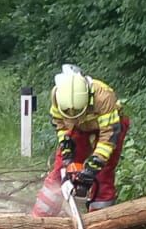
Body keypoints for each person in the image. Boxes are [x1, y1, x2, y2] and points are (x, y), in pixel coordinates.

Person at [49, 64, 128, 209]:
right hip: (80, 127)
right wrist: (66, 148)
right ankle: (41, 216)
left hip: (109, 127)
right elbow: (60, 125)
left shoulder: (103, 97)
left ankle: (100, 218)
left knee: (103, 173)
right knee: (60, 169)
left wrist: (94, 165)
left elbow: (108, 136)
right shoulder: (57, 95)